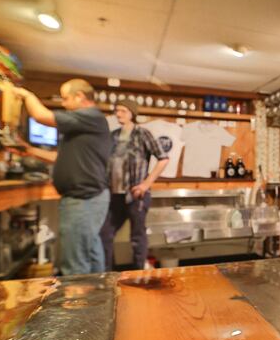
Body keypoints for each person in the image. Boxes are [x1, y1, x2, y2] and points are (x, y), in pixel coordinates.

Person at [13, 79, 112, 275]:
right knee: (89, 252)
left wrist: (26, 95)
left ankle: (80, 303)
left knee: (75, 264)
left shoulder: (90, 116)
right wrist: (29, 150)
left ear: (80, 97)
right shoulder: (86, 124)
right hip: (88, 198)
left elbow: (41, 116)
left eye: (66, 99)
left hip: (83, 199)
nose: (63, 104)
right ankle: (98, 297)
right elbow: (59, 157)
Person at [100, 100, 169, 271]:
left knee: (137, 237)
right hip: (114, 194)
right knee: (105, 234)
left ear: (132, 113)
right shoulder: (113, 135)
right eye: (117, 111)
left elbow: (163, 158)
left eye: (123, 110)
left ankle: (138, 273)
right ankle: (107, 274)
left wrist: (146, 184)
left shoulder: (143, 133)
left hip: (136, 194)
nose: (119, 114)